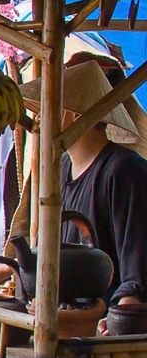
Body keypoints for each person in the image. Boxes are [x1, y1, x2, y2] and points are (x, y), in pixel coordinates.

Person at [18, 57, 147, 334]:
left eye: (50, 105)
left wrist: (121, 313)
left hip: (102, 328)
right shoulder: (59, 168)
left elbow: (137, 264)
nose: (39, 116)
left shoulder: (124, 171)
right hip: (58, 319)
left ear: (78, 113)